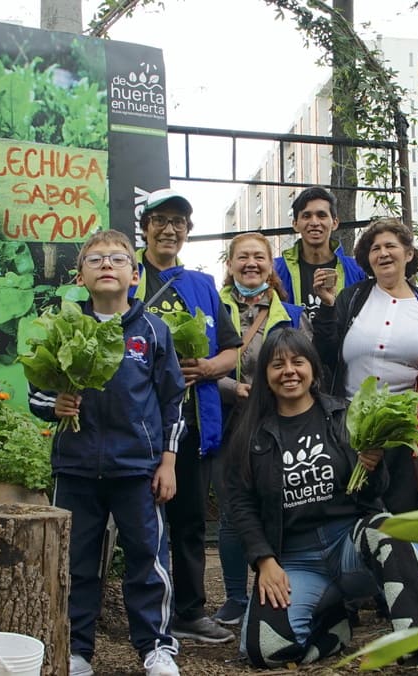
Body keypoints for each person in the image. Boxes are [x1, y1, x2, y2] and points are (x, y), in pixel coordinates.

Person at [223, 329, 418, 675]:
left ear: (313, 369)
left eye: (298, 362)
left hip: (350, 546)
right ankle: (334, 625)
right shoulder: (252, 434)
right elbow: (241, 505)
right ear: (266, 377)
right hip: (295, 560)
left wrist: (373, 468)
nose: (289, 371)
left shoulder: (346, 417)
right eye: (277, 365)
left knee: (387, 529)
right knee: (264, 650)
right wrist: (264, 560)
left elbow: (373, 493)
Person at [28, 229, 186, 676]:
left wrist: (168, 461)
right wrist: (55, 404)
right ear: (80, 276)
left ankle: (157, 647)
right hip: (74, 468)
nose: (106, 266)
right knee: (75, 563)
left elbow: (173, 400)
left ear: (134, 276)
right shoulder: (63, 328)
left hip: (138, 468)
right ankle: (76, 650)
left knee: (147, 559)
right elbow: (37, 396)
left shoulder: (153, 331)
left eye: (117, 259)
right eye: (95, 260)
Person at [132, 188, 241, 645]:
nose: (170, 229)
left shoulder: (202, 286)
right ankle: (144, 613)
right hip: (135, 424)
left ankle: (190, 610)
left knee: (190, 521)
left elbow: (233, 349)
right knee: (139, 522)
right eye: (161, 219)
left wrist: (212, 367)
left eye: (179, 221)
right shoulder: (127, 275)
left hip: (192, 423)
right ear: (145, 226)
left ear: (188, 232)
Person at [210, 232, 313, 627]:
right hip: (228, 422)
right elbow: (197, 365)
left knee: (282, 504)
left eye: (259, 257)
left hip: (280, 423)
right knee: (233, 512)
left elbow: (308, 366)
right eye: (243, 257)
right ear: (231, 264)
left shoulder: (292, 313)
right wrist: (232, 388)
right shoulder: (212, 306)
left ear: (271, 266)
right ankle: (236, 597)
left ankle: (281, 590)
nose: (251, 264)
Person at [319, 217, 418, 514]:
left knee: (400, 513)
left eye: (390, 246)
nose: (383, 253)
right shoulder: (354, 297)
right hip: (349, 426)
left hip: (403, 429)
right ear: (367, 258)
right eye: (375, 248)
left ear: (408, 254)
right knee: (349, 507)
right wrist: (327, 306)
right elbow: (327, 351)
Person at [273, 187, 366, 324]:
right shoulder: (275, 270)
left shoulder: (356, 270)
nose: (314, 223)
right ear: (295, 224)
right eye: (306, 216)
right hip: (293, 344)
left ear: (334, 223)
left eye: (321, 215)